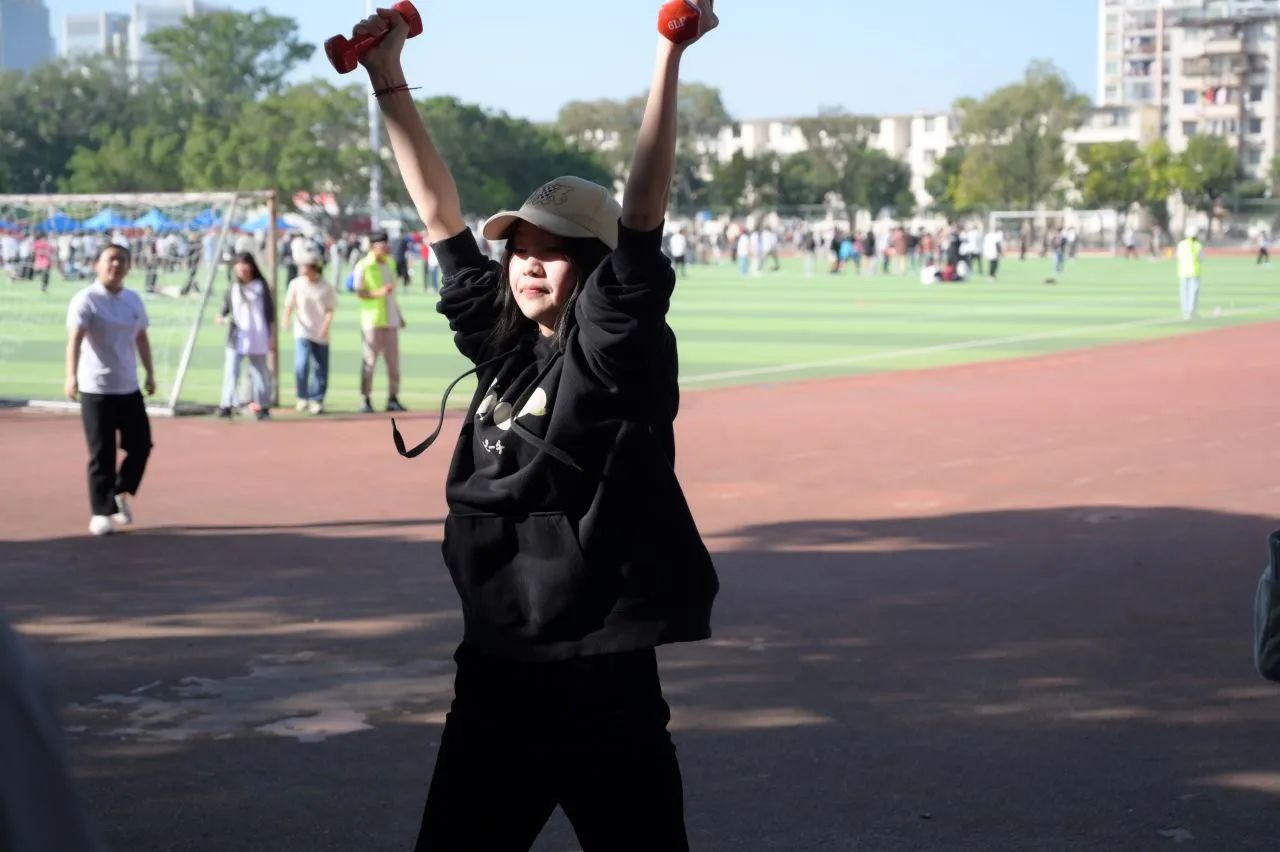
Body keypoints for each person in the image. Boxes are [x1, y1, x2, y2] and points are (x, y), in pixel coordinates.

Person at [356, 4, 721, 849]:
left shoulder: (617, 352)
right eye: (518, 245)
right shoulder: (503, 348)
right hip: (495, 673)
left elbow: (641, 215)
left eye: (552, 248)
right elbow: (440, 215)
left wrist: (668, 56)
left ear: (594, 266)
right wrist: (388, 77)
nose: (526, 260)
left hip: (601, 680)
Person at [64, 244, 155, 537]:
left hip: (128, 385)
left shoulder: (133, 299)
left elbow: (141, 338)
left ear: (129, 267)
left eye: (122, 260)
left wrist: (150, 373)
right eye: (111, 260)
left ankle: (120, 491)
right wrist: (71, 376)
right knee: (101, 452)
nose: (116, 265)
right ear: (98, 265)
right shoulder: (86, 300)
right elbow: (75, 339)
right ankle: (100, 512)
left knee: (141, 445)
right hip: (96, 388)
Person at [216, 252, 275, 420]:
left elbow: (269, 313)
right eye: (239, 266)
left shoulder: (260, 286)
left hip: (257, 335)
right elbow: (225, 308)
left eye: (245, 265)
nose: (242, 269)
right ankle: (227, 403)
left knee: (259, 371)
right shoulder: (233, 287)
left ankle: (262, 405)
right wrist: (220, 316)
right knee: (231, 370)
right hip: (236, 336)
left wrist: (271, 336)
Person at [355, 231, 407, 413]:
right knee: (369, 362)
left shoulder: (390, 263)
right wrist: (378, 293)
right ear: (373, 246)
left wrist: (399, 316)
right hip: (372, 320)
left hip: (391, 319)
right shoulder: (363, 266)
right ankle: (365, 398)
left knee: (393, 363)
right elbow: (359, 292)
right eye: (382, 245)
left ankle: (393, 398)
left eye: (386, 244)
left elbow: (392, 294)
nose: (385, 248)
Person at [282, 247, 336, 415]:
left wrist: (325, 325)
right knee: (302, 364)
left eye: (304, 265)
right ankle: (302, 396)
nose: (301, 268)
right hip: (303, 330)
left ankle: (317, 399)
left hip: (320, 331)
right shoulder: (296, 284)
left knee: (320, 366)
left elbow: (330, 309)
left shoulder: (326, 286)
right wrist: (286, 320)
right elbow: (289, 305)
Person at [1177, 227, 1204, 321]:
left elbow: (1178, 256)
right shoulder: (1198, 245)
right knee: (1193, 293)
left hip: (1183, 271)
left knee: (1184, 293)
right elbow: (1201, 258)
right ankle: (1191, 311)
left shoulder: (1181, 244)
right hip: (1194, 271)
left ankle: (1185, 312)